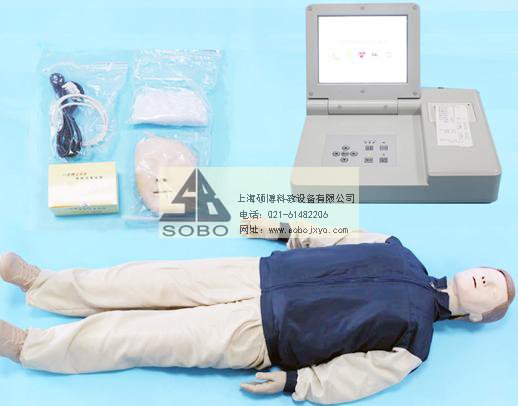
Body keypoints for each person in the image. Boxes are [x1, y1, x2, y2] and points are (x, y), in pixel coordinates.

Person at [0, 221, 514, 404]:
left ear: (477, 316)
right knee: (148, 277)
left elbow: (359, 376)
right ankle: (42, 283)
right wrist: (286, 230)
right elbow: (339, 237)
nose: (487, 280)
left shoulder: (413, 343)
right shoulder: (398, 250)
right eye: (491, 273)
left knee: (145, 337)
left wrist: (298, 382)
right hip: (260, 274)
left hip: (262, 333)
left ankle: (29, 347)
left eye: (495, 291)